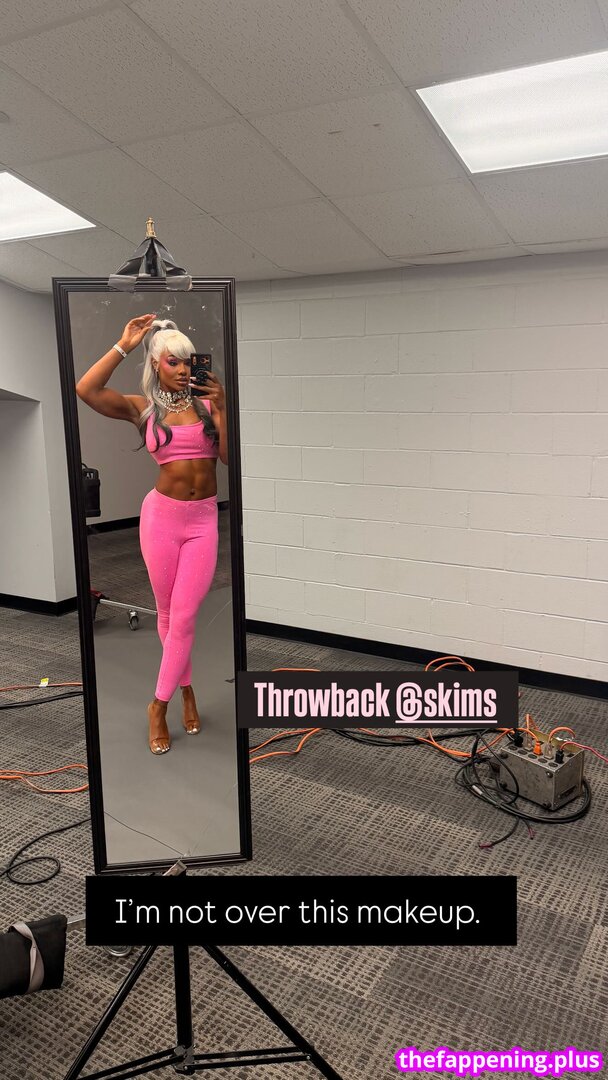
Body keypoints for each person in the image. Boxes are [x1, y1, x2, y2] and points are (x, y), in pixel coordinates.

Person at [76, 313, 228, 755]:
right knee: (166, 613)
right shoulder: (143, 408)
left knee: (184, 615)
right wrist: (123, 345)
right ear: (156, 364)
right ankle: (185, 689)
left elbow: (229, 461)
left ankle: (157, 705)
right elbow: (86, 389)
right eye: (172, 361)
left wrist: (223, 407)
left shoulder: (208, 406)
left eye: (187, 361)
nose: (182, 369)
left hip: (202, 521)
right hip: (161, 518)